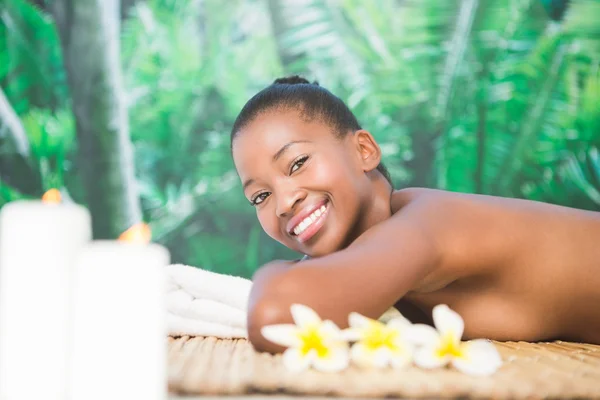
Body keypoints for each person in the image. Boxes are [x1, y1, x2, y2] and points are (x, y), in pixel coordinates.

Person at [230, 75, 600, 353]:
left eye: (297, 163)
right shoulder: (379, 266)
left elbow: (274, 314)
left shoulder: (429, 223)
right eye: (260, 196)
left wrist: (284, 272)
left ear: (364, 150)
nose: (283, 203)